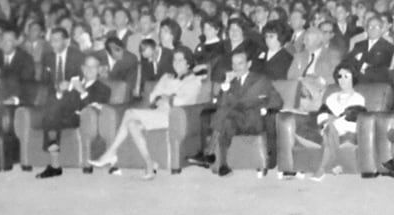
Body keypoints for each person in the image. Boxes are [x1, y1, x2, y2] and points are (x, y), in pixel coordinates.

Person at [91, 47, 207, 177]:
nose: (176, 63)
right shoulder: (166, 77)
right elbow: (153, 96)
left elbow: (185, 101)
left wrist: (167, 98)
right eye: (175, 60)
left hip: (174, 116)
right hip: (158, 112)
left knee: (129, 113)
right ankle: (149, 164)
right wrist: (164, 97)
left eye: (181, 60)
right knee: (132, 124)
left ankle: (110, 153)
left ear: (188, 63)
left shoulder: (193, 80)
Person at [36, 50, 111, 178]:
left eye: (93, 67)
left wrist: (81, 91)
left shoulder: (103, 88)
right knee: (51, 114)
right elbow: (63, 103)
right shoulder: (75, 84)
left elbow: (94, 107)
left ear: (99, 70)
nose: (89, 69)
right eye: (87, 66)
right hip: (66, 117)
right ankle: (54, 164)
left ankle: (54, 166)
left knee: (51, 119)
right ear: (82, 68)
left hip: (84, 120)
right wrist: (60, 91)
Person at [209, 47, 283, 176]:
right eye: (233, 64)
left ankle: (208, 151)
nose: (236, 67)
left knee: (225, 112)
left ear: (249, 64)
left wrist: (263, 106)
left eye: (240, 63)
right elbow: (220, 104)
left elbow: (278, 101)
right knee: (225, 121)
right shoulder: (231, 82)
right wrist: (226, 84)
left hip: (253, 121)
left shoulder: (260, 79)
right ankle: (223, 165)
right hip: (236, 120)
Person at [307, 65, 368, 179]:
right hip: (329, 127)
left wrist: (333, 119)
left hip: (348, 127)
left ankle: (322, 168)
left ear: (353, 78)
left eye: (346, 76)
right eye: (340, 76)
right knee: (329, 128)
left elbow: (353, 117)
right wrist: (330, 120)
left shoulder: (358, 98)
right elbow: (322, 115)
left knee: (331, 127)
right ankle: (332, 165)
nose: (342, 80)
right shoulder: (331, 97)